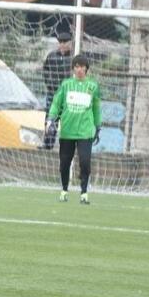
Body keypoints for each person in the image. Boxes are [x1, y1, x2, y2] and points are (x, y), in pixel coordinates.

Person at [47, 54, 102, 204]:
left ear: (86, 69)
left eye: (82, 67)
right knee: (65, 163)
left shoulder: (93, 86)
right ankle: (64, 190)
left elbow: (96, 108)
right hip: (67, 131)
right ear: (73, 68)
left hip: (85, 132)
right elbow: (56, 103)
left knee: (85, 162)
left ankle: (84, 193)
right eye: (76, 66)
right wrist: (51, 119)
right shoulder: (66, 85)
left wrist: (98, 126)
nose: (79, 69)